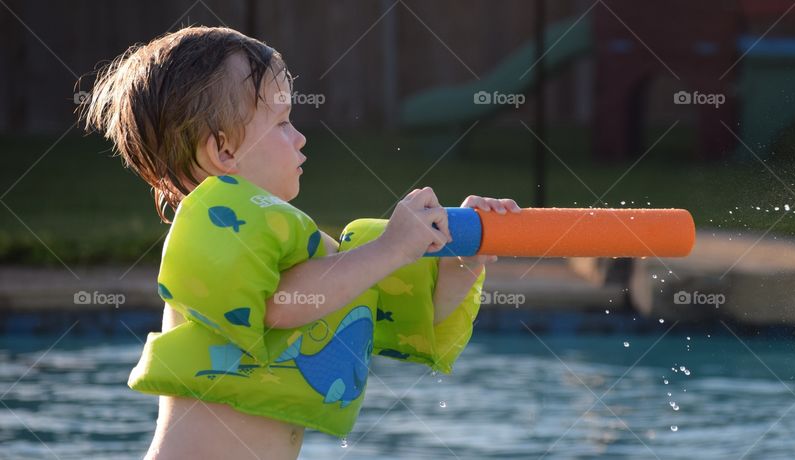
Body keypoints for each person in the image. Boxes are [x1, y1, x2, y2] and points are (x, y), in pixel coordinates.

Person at [80, 26, 520, 459]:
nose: (300, 137)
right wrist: (389, 248)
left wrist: (461, 259)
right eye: (284, 122)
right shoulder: (216, 220)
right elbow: (278, 306)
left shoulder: (295, 247)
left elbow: (410, 317)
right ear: (224, 152)